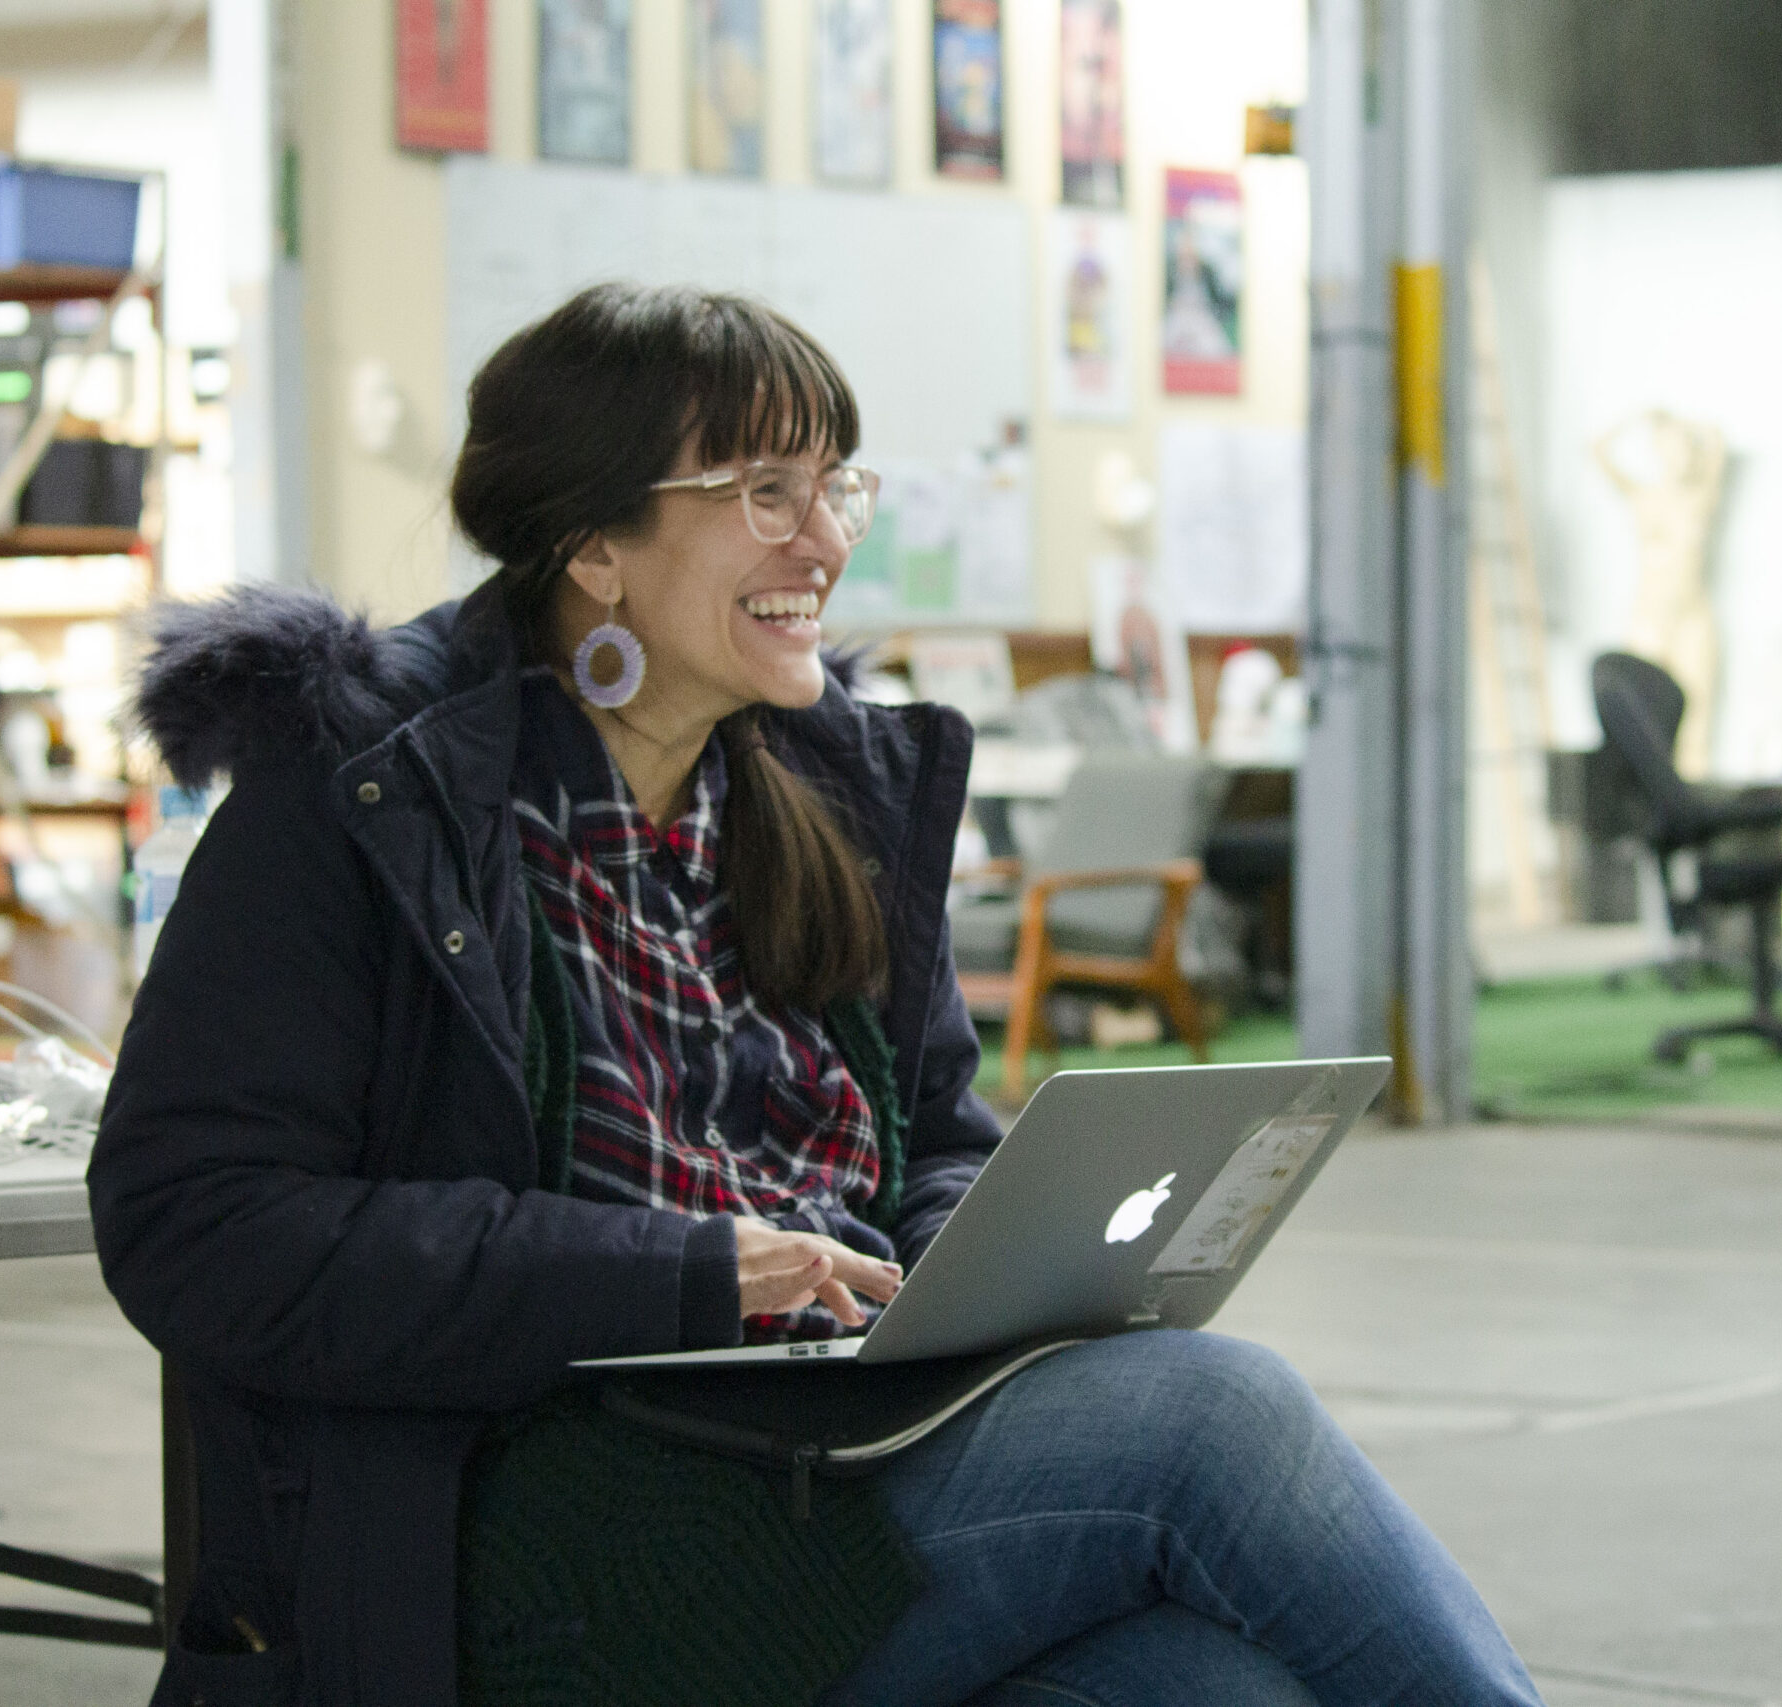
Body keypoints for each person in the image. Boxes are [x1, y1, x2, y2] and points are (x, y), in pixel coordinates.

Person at [91, 282, 1544, 1707]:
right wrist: (690, 1269)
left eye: (837, 486)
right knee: (1214, 1424)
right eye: (765, 492)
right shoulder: (362, 791)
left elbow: (933, 1129)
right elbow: (192, 1222)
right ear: (595, 543)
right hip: (533, 1528)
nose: (828, 539)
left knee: (1212, 1686)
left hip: (838, 1445)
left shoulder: (821, 790)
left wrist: (975, 1260)